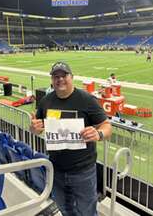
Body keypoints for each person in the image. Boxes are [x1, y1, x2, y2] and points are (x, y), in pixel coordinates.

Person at [30, 61, 112, 216]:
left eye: (64, 75)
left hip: (83, 171)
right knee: (64, 208)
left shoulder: (87, 100)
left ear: (72, 77)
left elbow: (106, 126)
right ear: (52, 80)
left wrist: (99, 134)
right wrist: (34, 129)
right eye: (56, 76)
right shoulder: (46, 101)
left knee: (87, 211)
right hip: (56, 168)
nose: (60, 79)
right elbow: (37, 127)